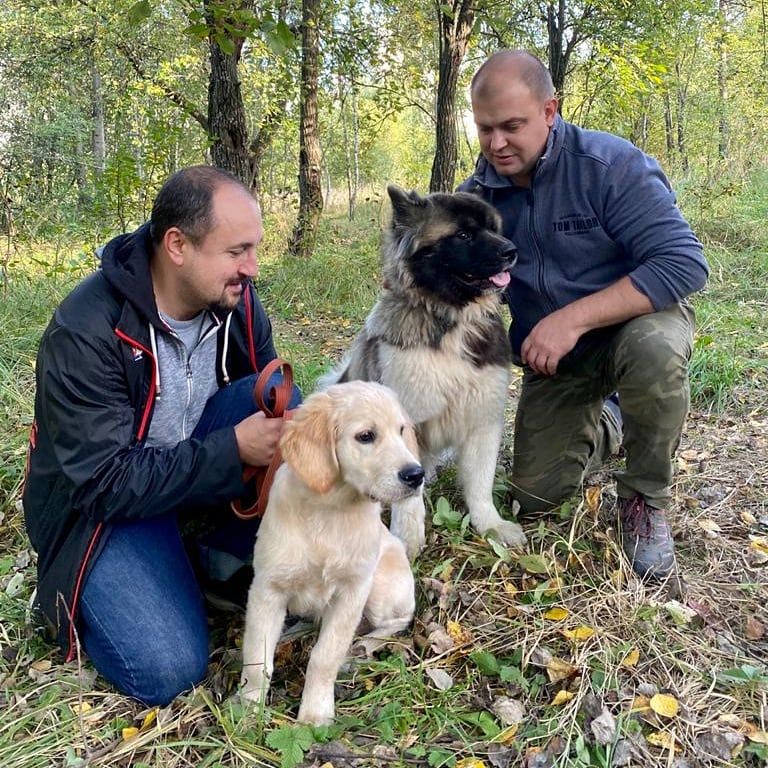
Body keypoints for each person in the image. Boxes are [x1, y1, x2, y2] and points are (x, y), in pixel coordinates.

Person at [23, 165, 301, 706]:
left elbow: (269, 397)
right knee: (168, 668)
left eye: (255, 248)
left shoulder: (235, 301)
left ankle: (207, 554)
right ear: (177, 244)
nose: (253, 268)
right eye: (237, 251)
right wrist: (232, 450)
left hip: (183, 467)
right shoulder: (86, 331)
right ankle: (95, 590)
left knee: (277, 404)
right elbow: (103, 483)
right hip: (102, 511)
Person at [459, 50, 709, 581]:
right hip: (556, 364)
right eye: (484, 129)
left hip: (633, 332)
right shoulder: (477, 199)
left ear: (551, 111)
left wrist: (571, 319)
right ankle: (612, 419)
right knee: (533, 499)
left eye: (512, 126)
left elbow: (684, 262)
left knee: (654, 350)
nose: (496, 144)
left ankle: (645, 501)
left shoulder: (609, 166)